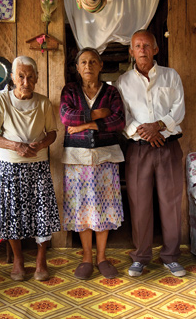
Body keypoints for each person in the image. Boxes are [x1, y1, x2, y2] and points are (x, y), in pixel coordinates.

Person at [115, 29, 186, 278]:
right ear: (132, 51)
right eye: (137, 46)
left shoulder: (171, 76)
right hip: (139, 150)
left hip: (168, 147)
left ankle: (171, 256)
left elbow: (179, 110)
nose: (142, 49)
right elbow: (123, 116)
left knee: (171, 203)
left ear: (156, 49)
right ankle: (141, 256)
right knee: (140, 204)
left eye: (146, 45)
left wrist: (159, 126)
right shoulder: (123, 82)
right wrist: (145, 132)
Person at [0, 56, 60, 282]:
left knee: (42, 213)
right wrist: (15, 146)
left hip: (37, 166)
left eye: (30, 77)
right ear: (12, 78)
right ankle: (18, 260)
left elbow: (52, 133)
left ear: (36, 78)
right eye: (21, 76)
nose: (25, 82)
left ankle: (41, 260)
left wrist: (40, 144)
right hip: (9, 166)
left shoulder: (43, 102)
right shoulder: (2, 101)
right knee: (12, 214)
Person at [60, 48, 125, 280]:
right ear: (77, 68)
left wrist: (85, 125)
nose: (88, 66)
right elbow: (67, 117)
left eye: (93, 62)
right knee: (83, 208)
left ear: (100, 66)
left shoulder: (111, 91)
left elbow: (118, 120)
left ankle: (102, 257)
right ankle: (87, 257)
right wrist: (97, 114)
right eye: (83, 62)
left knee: (104, 206)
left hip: (105, 157)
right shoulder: (69, 90)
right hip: (77, 159)